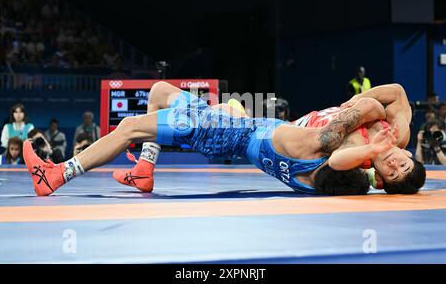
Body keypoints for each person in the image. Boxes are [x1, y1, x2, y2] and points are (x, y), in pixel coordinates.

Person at [23, 81, 386, 196]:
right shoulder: (314, 179)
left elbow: (374, 103)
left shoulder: (321, 146)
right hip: (230, 128)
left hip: (222, 130)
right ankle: (144, 169)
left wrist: (374, 136)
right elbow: (350, 169)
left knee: (131, 125)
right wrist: (375, 167)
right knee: (161, 90)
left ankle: (56, 175)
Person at [295, 84, 426, 194]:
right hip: (328, 114)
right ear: (407, 153)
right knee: (373, 108)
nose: (393, 164)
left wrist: (371, 150)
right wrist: (357, 97)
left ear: (380, 177)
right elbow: (398, 93)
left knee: (372, 108)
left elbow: (335, 161)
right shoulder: (399, 133)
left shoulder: (356, 152)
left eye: (392, 175)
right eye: (403, 165)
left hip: (302, 128)